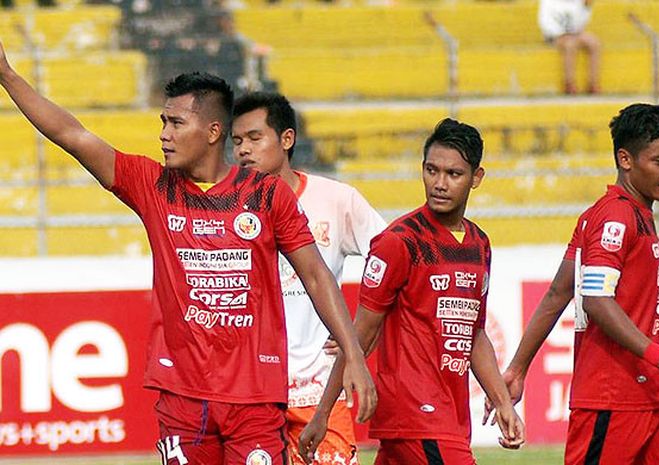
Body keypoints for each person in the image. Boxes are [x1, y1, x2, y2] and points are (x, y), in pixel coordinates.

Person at [0, 41, 376, 465]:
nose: (164, 134)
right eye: (163, 121)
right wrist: (8, 76)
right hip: (181, 399)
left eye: (176, 123)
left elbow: (316, 276)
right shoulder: (152, 185)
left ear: (213, 132)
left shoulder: (267, 195)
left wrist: (354, 357)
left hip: (254, 400)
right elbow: (73, 134)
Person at [299, 118, 525, 465]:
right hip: (417, 417)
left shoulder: (479, 244)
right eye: (432, 171)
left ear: (476, 178)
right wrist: (323, 414)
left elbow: (474, 332)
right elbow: (360, 333)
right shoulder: (399, 242)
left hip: (446, 419)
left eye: (453, 174)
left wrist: (503, 402)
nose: (439, 184)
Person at [484, 103, 659, 465]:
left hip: (656, 396)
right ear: (625, 159)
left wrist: (518, 368)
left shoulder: (625, 215)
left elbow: (558, 293)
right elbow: (596, 299)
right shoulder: (614, 217)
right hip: (612, 398)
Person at [231, 91, 386, 465]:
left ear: (286, 139)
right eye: (236, 142)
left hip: (320, 392)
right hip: (251, 393)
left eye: (254, 138)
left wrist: (364, 332)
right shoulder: (227, 207)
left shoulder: (337, 199)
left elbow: (393, 261)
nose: (243, 151)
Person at [538, 0, 601, 94]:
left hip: (574, 33)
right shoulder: (548, 2)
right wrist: (560, 33)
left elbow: (579, 23)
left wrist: (586, 8)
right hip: (555, 35)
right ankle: (569, 83)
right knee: (570, 45)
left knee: (594, 43)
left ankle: (593, 83)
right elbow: (545, 21)